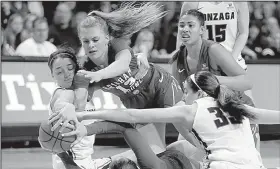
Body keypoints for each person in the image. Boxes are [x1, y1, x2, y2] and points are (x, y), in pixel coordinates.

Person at [49, 2, 185, 166]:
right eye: (85, 41)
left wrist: (99, 75)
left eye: (95, 39)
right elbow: (80, 100)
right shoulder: (86, 69)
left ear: (107, 38)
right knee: (156, 149)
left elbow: (121, 65)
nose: (91, 45)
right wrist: (69, 107)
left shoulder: (116, 44)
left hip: (159, 86)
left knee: (190, 131)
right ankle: (105, 164)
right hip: (138, 103)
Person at [65, 70, 280, 169]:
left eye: (186, 92)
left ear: (200, 93)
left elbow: (132, 115)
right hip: (256, 166)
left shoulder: (190, 110)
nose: (184, 96)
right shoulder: (237, 107)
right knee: (177, 148)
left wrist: (85, 114)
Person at [173, 8, 260, 151]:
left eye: (190, 25)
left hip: (235, 112)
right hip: (210, 117)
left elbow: (247, 82)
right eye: (181, 25)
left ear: (201, 30)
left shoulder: (213, 50)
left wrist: (213, 79)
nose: (185, 29)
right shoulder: (178, 59)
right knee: (178, 148)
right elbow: (180, 99)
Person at [46, 47, 110, 169]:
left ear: (76, 68)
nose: (66, 74)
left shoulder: (82, 89)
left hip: (87, 161)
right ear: (52, 75)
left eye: (70, 68)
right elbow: (77, 107)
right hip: (72, 163)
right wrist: (69, 107)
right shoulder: (62, 93)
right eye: (59, 72)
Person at [57, 120, 194, 169]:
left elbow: (126, 127)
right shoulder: (151, 164)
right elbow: (125, 127)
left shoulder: (149, 163)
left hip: (179, 155)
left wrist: (59, 151)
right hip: (183, 158)